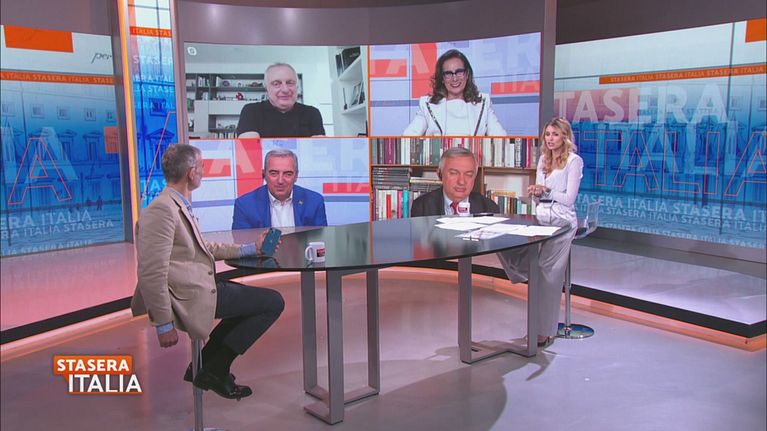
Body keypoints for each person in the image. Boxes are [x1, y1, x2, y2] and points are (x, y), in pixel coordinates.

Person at [131, 143, 285, 400]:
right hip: (187, 296)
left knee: (251, 304)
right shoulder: (161, 210)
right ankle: (215, 367)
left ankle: (207, 365)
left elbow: (205, 247)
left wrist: (251, 249)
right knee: (272, 302)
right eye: (202, 167)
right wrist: (163, 324)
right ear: (191, 173)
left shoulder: (177, 204)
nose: (203, 172)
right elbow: (150, 271)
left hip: (199, 286)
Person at [525, 117, 584, 347]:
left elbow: (569, 199)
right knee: (533, 269)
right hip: (541, 218)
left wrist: (547, 190)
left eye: (555, 134)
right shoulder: (543, 160)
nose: (550, 139)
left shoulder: (574, 161)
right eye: (547, 134)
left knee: (547, 275)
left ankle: (544, 330)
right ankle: (536, 326)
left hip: (562, 221)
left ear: (565, 137)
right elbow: (540, 197)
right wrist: (536, 193)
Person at [403, 49, 507, 136]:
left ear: (467, 74)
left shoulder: (483, 103)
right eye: (448, 74)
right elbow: (408, 137)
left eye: (459, 72)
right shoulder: (428, 105)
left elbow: (501, 139)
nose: (455, 78)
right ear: (442, 78)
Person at [232, 148, 328, 229]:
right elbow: (241, 244)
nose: (280, 181)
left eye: (288, 174)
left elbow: (321, 241)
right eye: (274, 174)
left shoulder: (314, 202)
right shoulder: (245, 205)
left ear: (296, 176)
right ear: (264, 175)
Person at [236, 63, 325, 138]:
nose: (285, 89)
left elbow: (319, 150)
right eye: (276, 84)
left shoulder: (312, 113)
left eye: (290, 83)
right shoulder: (251, 111)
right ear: (266, 89)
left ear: (297, 87)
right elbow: (249, 150)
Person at [410, 146, 499, 216]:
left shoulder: (489, 207)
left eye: (468, 174)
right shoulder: (422, 206)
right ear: (440, 175)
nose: (461, 182)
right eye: (454, 173)